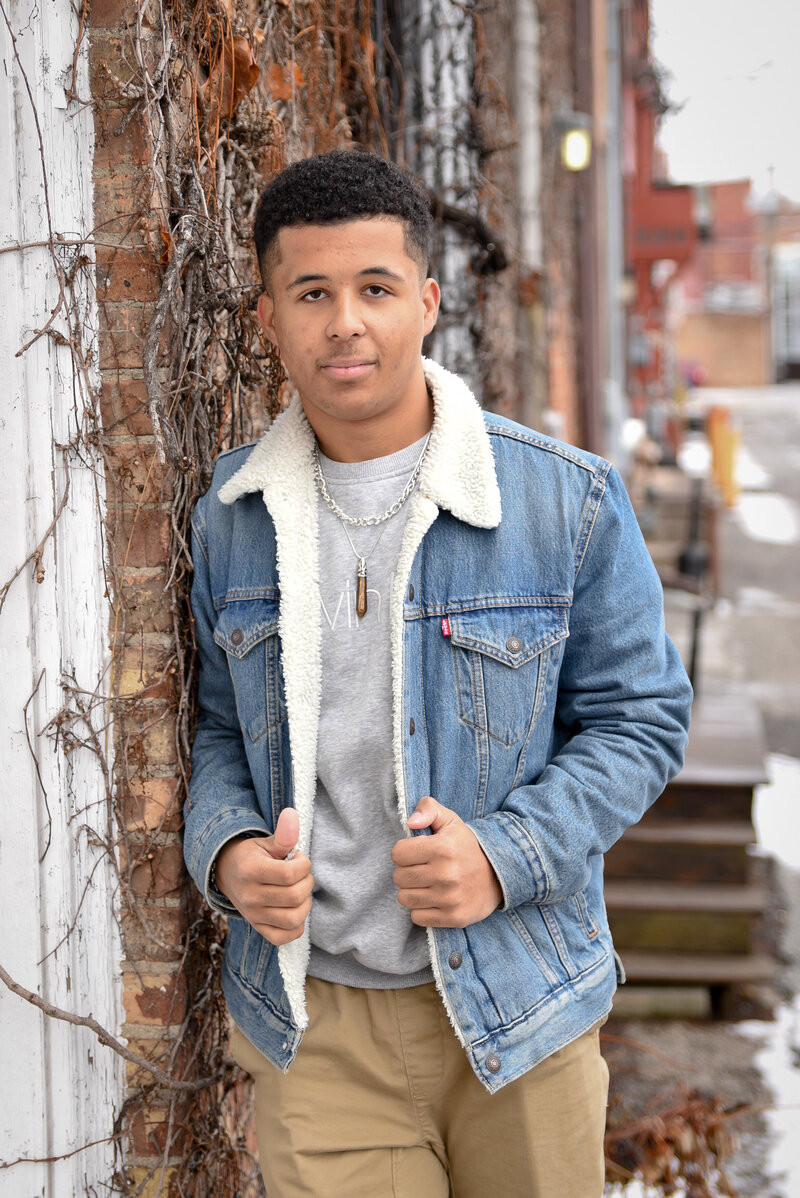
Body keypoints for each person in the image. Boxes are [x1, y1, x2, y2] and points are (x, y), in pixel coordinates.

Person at [184, 149, 692, 1198]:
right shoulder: (231, 518)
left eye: (373, 289)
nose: (345, 324)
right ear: (267, 314)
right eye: (310, 293)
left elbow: (639, 721)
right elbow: (220, 729)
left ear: (424, 301)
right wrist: (228, 849)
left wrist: (504, 853)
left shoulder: (564, 501)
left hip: (519, 1002)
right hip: (315, 1025)